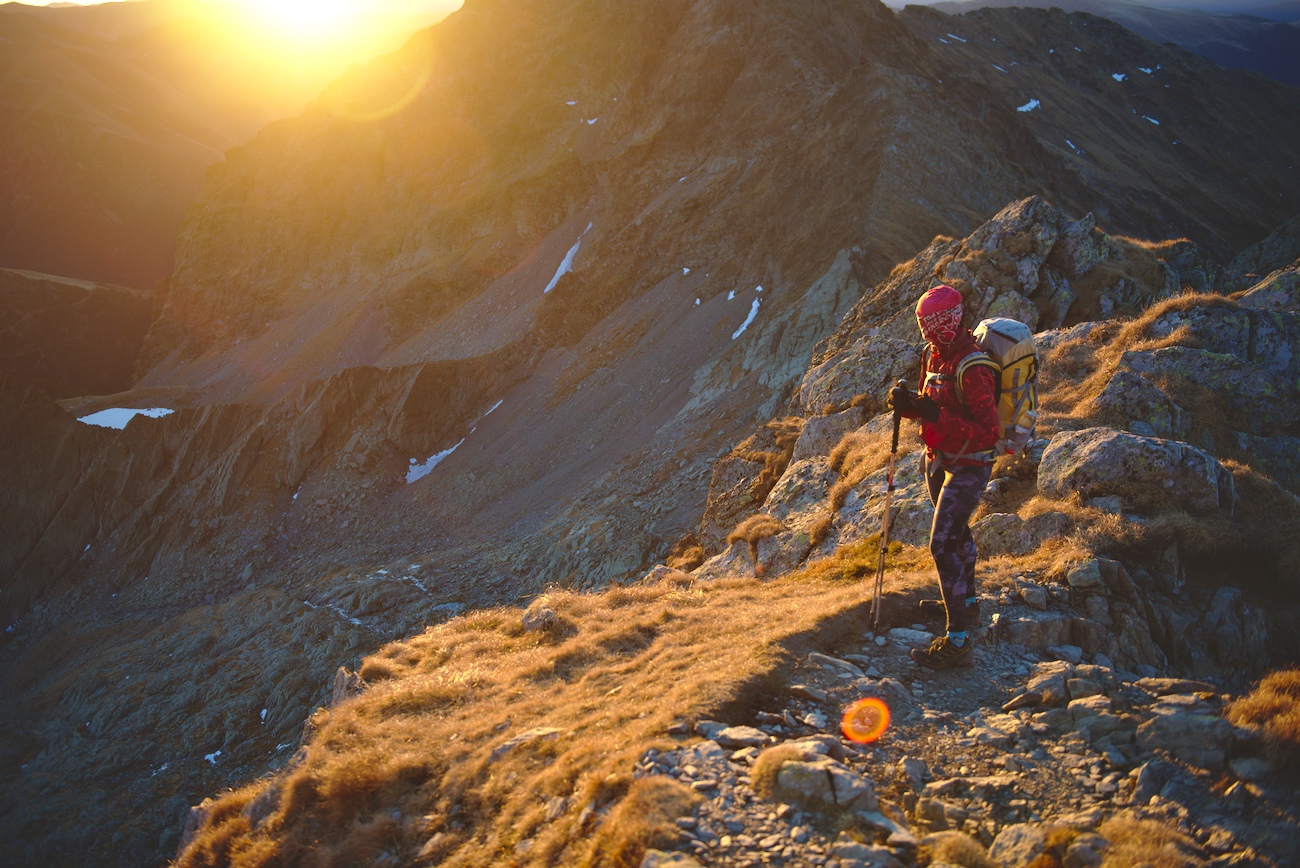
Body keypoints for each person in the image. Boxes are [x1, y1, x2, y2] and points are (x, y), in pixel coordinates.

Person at [888, 284, 999, 670]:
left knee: (942, 544)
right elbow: (930, 406)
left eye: (933, 324)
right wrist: (908, 408)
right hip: (939, 457)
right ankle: (966, 601)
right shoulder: (930, 356)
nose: (928, 333)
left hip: (970, 464)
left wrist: (933, 416)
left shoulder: (974, 366)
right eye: (924, 325)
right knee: (959, 534)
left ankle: (958, 640)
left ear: (951, 320)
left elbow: (989, 432)